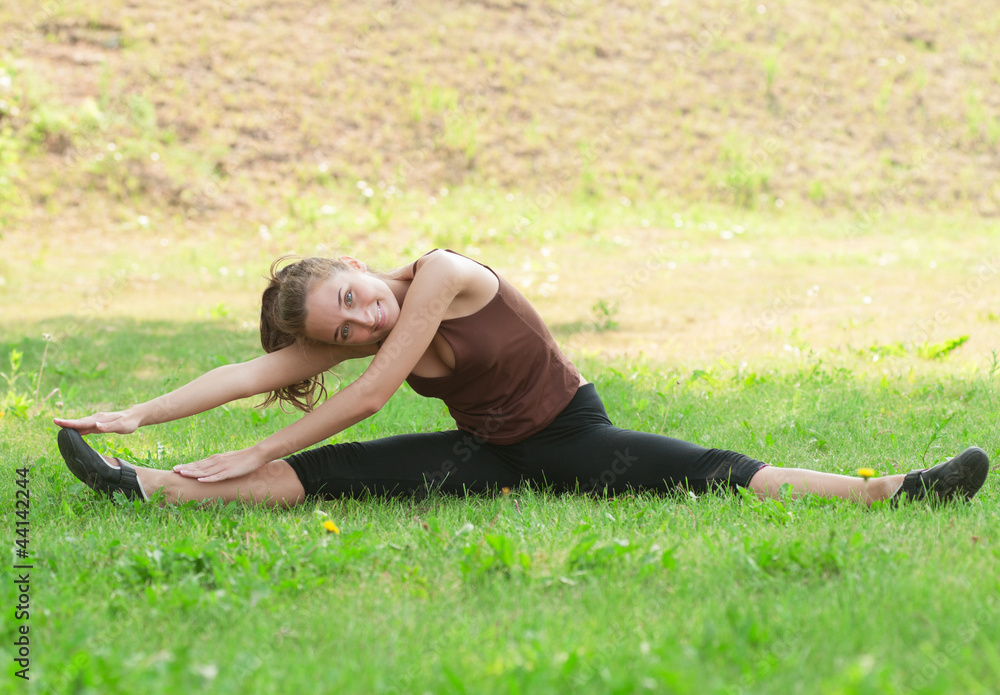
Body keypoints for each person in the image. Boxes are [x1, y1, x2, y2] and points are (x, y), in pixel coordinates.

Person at [55, 249, 989, 508]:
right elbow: (246, 369)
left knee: (711, 468)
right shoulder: (359, 326)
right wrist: (136, 413)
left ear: (353, 262)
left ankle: (895, 492)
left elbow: (374, 392)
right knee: (337, 478)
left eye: (353, 296)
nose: (363, 320)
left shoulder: (443, 273)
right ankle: (143, 489)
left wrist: (259, 440)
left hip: (571, 433)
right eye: (342, 327)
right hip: (489, 453)